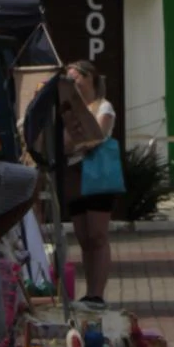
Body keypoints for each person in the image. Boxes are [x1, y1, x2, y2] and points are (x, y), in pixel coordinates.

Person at [63, 60, 118, 306]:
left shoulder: (103, 107)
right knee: (83, 236)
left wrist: (75, 143)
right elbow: (65, 144)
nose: (72, 83)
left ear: (90, 79)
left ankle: (98, 292)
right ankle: (89, 291)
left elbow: (96, 136)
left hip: (97, 174)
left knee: (97, 235)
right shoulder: (68, 110)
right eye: (69, 79)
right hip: (74, 175)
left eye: (76, 78)